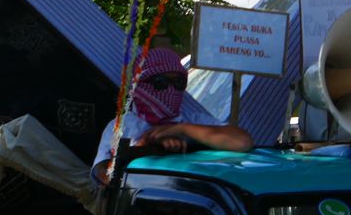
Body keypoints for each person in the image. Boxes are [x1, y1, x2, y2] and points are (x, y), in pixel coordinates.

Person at [94, 46, 254, 183]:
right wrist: (146, 146)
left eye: (178, 82)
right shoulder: (122, 126)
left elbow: (242, 142)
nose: (171, 89)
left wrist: (182, 130)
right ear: (139, 85)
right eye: (161, 82)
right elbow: (104, 176)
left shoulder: (193, 120)